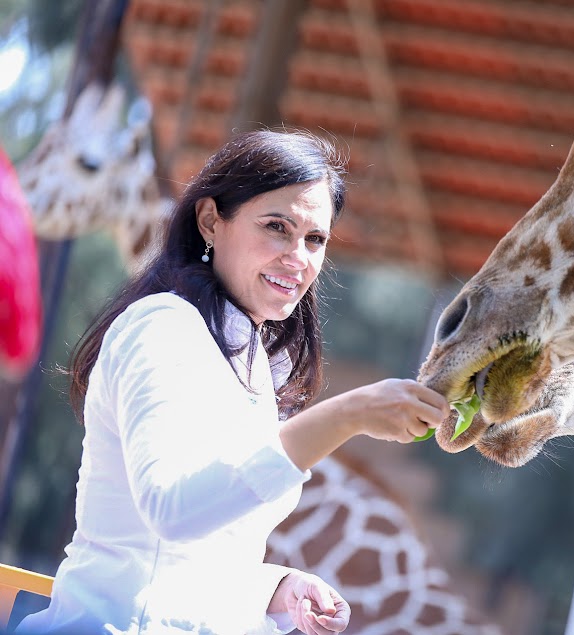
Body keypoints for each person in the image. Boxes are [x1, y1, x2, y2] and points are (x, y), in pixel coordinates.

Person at [15, 129, 451, 635]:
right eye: (276, 228)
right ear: (209, 222)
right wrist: (346, 416)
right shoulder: (163, 325)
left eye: (315, 240)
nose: (299, 257)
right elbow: (171, 513)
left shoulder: (253, 365)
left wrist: (273, 590)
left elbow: (189, 559)